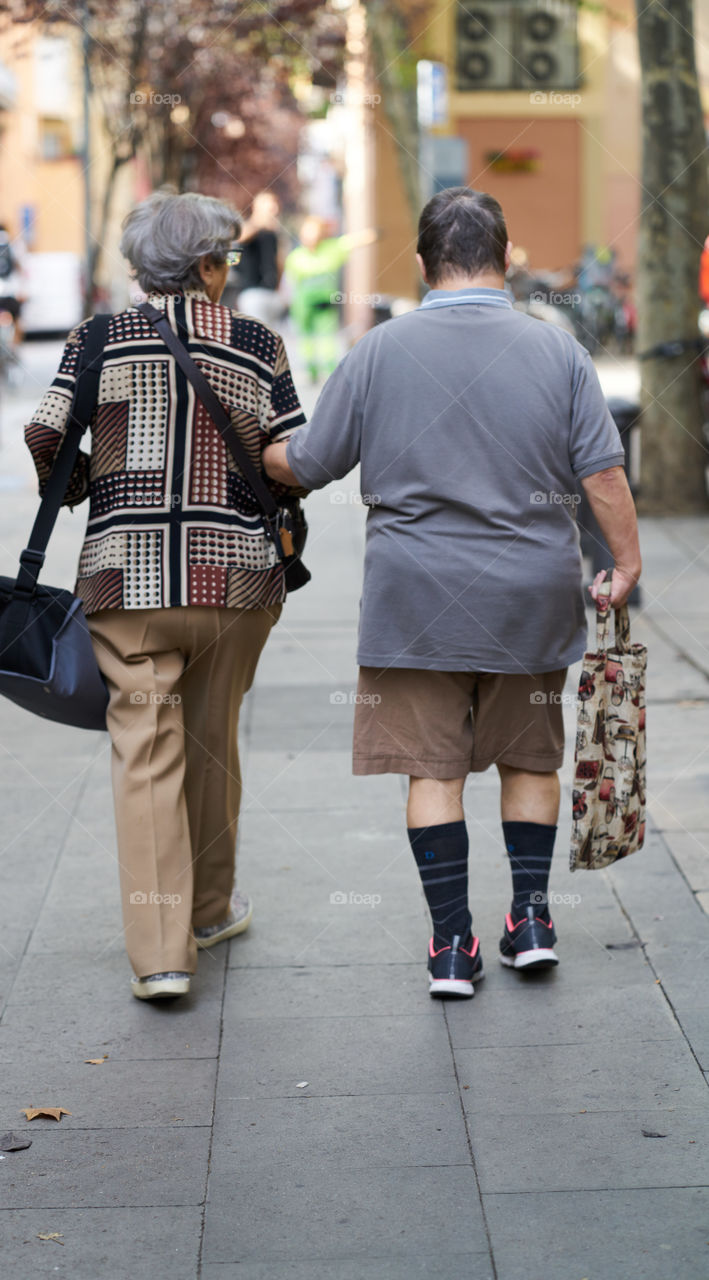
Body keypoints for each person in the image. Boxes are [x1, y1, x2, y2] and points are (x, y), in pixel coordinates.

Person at [263, 186, 641, 999]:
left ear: (424, 264)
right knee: (529, 759)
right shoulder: (557, 353)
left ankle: (449, 949)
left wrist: (258, 450)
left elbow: (309, 464)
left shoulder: (376, 350)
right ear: (503, 260)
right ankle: (530, 921)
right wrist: (626, 562)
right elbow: (602, 473)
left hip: (413, 598)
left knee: (431, 771)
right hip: (531, 594)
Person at [24, 191, 306, 1001]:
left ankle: (161, 956)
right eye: (224, 260)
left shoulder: (97, 339)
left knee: (144, 752)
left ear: (141, 267)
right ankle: (212, 912)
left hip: (125, 578)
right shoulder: (256, 342)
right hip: (235, 580)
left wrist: (86, 483)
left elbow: (45, 434)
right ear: (210, 266)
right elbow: (287, 455)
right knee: (212, 740)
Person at [284, 216, 376, 382]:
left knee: (327, 335)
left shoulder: (331, 249)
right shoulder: (296, 256)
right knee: (306, 337)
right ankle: (310, 369)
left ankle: (330, 370)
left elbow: (352, 241)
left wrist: (373, 234)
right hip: (303, 304)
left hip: (325, 301)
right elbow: (291, 282)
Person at [236, 191, 285, 327]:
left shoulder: (272, 234)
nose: (273, 210)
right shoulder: (247, 228)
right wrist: (259, 222)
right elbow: (237, 243)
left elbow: (279, 262)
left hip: (272, 294)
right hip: (252, 293)